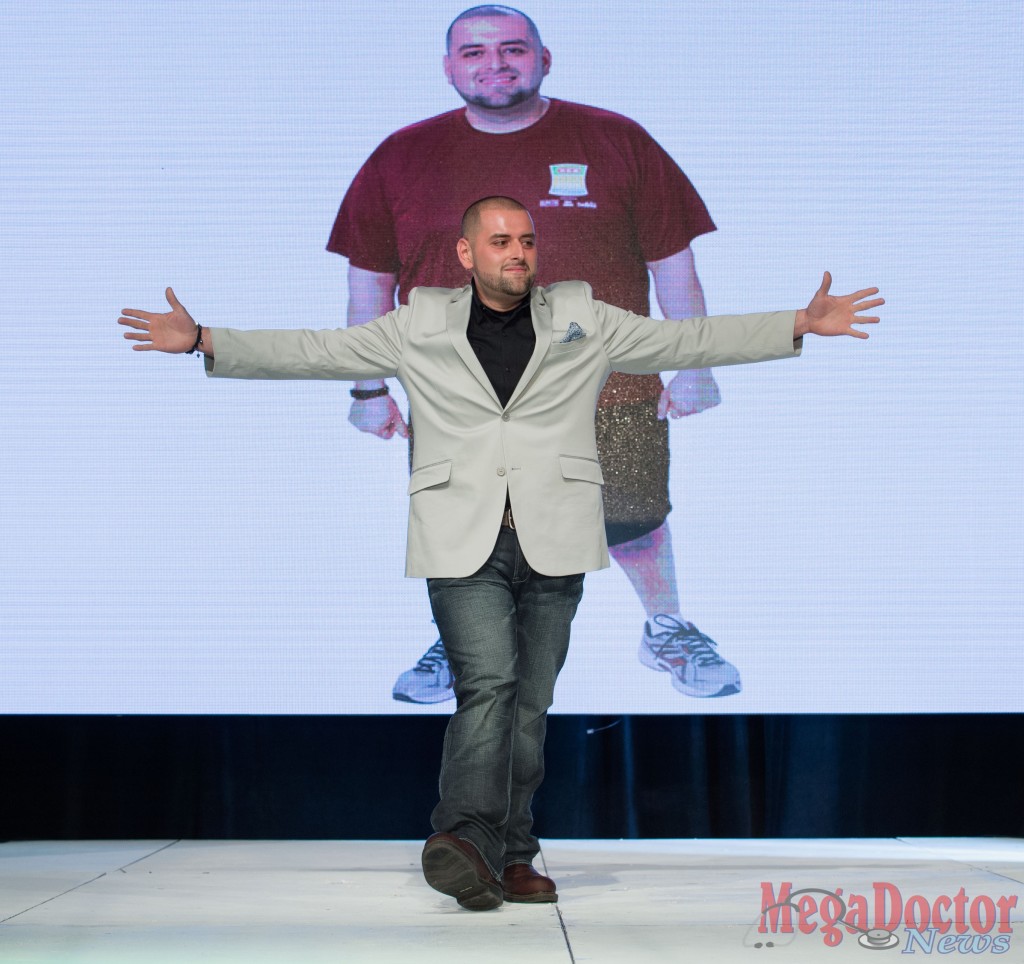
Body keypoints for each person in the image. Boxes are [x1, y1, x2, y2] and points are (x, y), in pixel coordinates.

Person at [119, 196, 882, 909]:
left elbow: (682, 339)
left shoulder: (581, 313)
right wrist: (206, 342)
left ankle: (510, 853)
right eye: (501, 241)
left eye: (526, 241)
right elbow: (321, 350)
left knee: (529, 700)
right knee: (488, 683)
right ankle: (461, 836)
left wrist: (795, 325)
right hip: (460, 531)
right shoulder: (416, 321)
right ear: (464, 253)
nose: (518, 252)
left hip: (557, 530)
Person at [330, 5, 733, 704]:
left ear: (546, 60)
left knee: (634, 519)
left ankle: (666, 627)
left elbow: (674, 266)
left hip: (609, 386)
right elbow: (367, 283)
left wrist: (696, 365)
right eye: (474, 53)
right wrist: (368, 391)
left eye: (514, 49)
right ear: (449, 66)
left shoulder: (617, 140)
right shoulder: (401, 156)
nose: (495, 64)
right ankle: (463, 644)